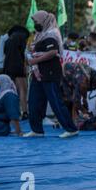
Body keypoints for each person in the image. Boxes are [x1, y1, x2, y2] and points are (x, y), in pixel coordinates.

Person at [23, 10, 79, 138]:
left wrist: (35, 60)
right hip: (39, 74)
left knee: (56, 102)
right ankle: (36, 130)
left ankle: (71, 129)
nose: (35, 24)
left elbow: (53, 52)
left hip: (50, 73)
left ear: (43, 21)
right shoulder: (40, 35)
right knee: (34, 102)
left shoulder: (51, 35)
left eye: (36, 21)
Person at [61, 62, 96, 130]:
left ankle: (72, 120)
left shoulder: (90, 79)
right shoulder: (82, 80)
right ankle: (70, 122)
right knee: (68, 101)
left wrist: (85, 102)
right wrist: (85, 111)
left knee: (73, 100)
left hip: (71, 78)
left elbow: (82, 91)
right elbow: (76, 101)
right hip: (64, 78)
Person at [4, 25, 30, 120]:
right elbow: (23, 54)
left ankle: (12, 112)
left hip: (7, 66)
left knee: (11, 90)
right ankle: (25, 112)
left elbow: (4, 54)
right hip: (18, 66)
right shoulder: (21, 39)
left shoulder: (7, 41)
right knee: (23, 89)